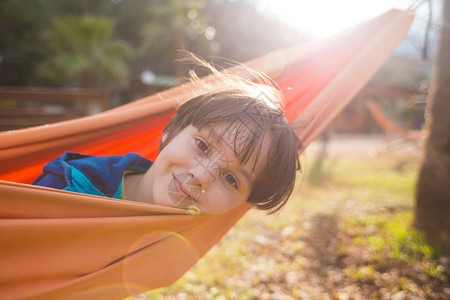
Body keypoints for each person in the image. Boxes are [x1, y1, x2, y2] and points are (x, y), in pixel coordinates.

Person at [33, 58, 301, 215]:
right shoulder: (66, 187)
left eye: (230, 179)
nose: (202, 175)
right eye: (203, 146)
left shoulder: (189, 226)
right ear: (170, 131)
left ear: (243, 203)